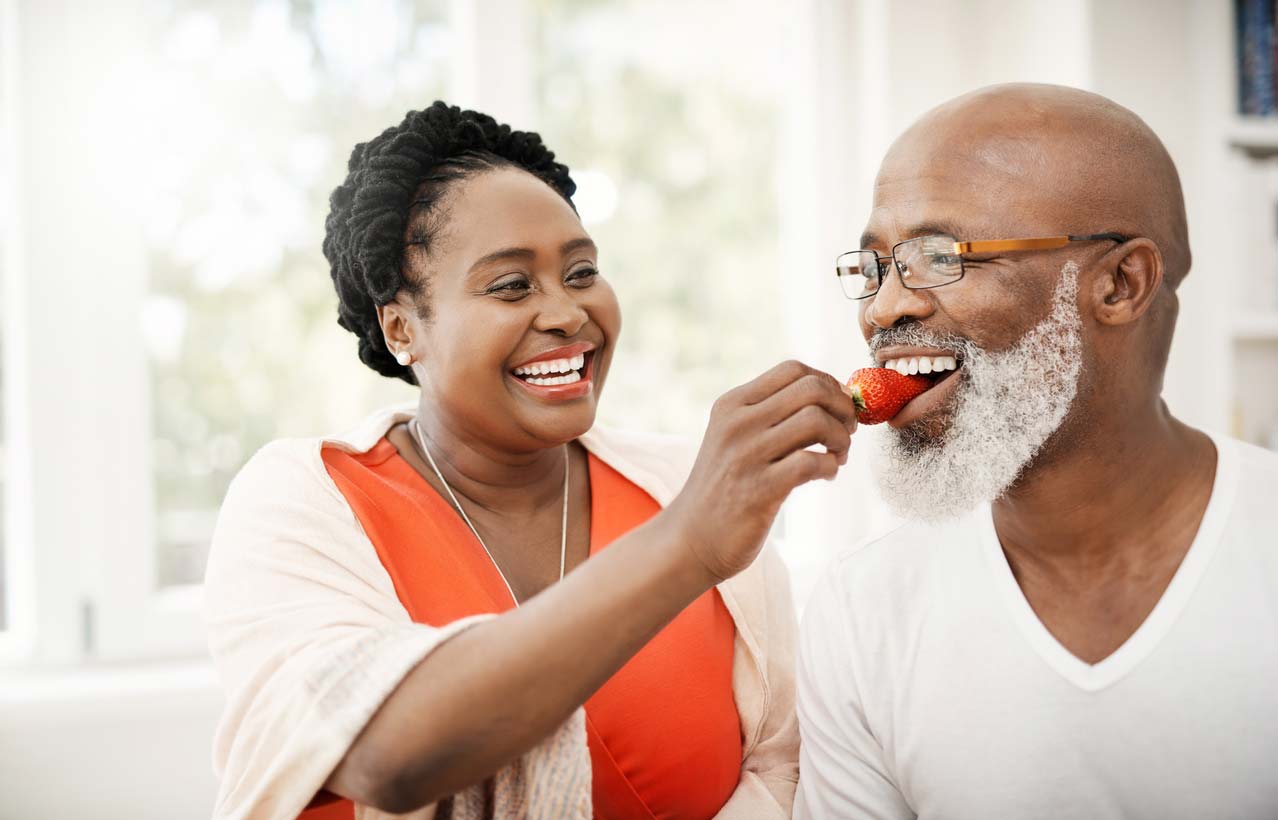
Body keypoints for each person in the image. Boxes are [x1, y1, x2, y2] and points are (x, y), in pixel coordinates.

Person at [205, 101, 858, 820]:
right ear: (401, 327)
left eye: (581, 273)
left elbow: (777, 762)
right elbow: (385, 757)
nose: (567, 313)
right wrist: (688, 543)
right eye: (511, 285)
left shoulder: (683, 484)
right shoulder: (303, 501)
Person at [795, 83, 1278, 819]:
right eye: (877, 266)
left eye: (939, 256)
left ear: (1120, 284)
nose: (884, 308)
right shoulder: (862, 610)